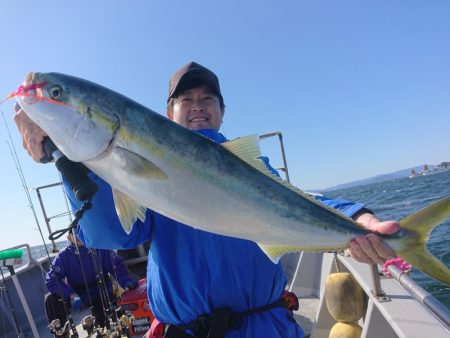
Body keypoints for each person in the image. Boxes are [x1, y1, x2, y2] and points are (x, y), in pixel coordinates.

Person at [14, 62, 400, 338]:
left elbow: (299, 200)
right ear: (169, 113)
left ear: (221, 111)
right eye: (186, 99)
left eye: (208, 98)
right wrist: (64, 160)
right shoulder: (125, 170)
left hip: (264, 327)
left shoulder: (251, 166)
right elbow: (114, 235)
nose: (198, 104)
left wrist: (360, 219)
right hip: (184, 331)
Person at [44, 229, 138, 335]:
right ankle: (60, 333)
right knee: (50, 299)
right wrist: (70, 294)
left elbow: (115, 265)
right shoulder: (63, 256)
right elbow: (51, 279)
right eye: (74, 234)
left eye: (81, 231)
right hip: (77, 295)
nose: (78, 236)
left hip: (101, 292)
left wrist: (126, 281)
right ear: (69, 238)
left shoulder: (100, 249)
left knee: (104, 326)